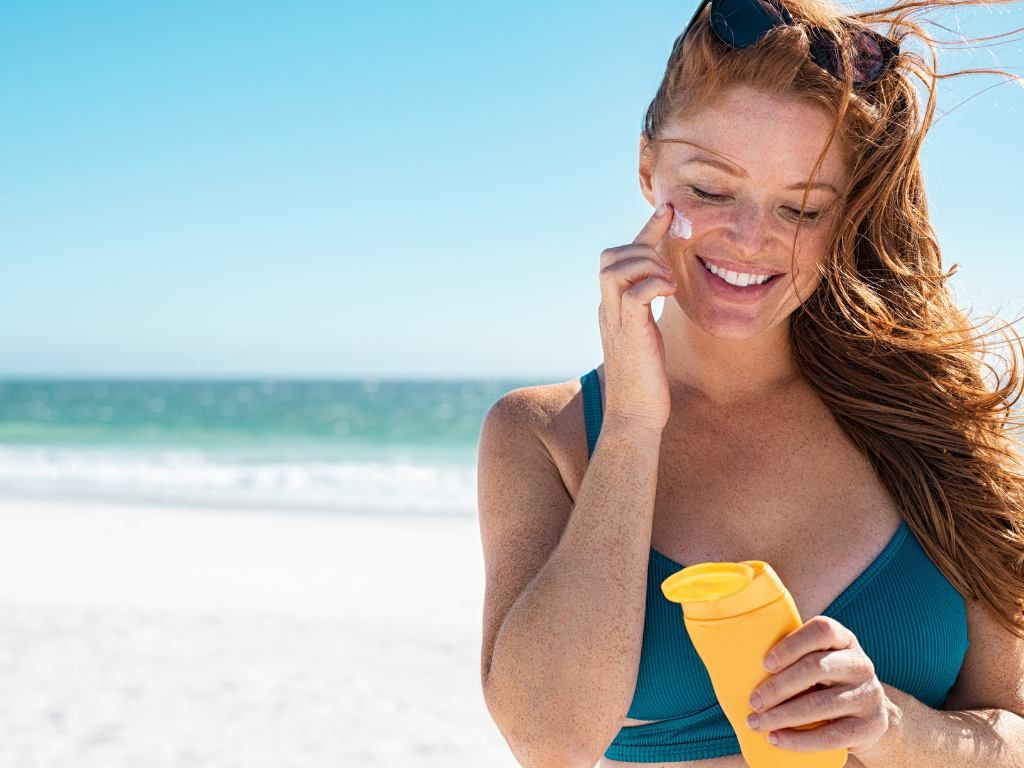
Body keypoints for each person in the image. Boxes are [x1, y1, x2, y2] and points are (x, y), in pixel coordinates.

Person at [477, 0, 1024, 765]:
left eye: (800, 207)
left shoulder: (937, 425)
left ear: (844, 217)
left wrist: (892, 725)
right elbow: (550, 739)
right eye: (709, 190)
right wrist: (634, 426)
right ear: (648, 171)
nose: (749, 240)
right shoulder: (546, 435)